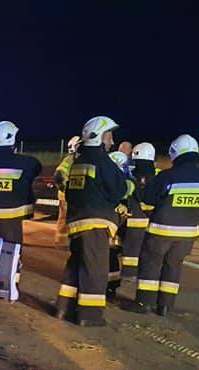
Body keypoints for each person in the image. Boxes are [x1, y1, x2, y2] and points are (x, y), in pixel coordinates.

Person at [55, 116, 127, 327]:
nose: (112, 142)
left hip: (77, 222)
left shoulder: (78, 162)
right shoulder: (103, 161)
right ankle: (90, 315)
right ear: (99, 137)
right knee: (95, 270)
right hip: (96, 223)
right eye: (109, 136)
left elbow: (70, 192)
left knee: (76, 265)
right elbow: (119, 190)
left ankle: (64, 308)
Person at [129, 135, 199, 316]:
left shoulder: (167, 176)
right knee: (173, 267)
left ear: (175, 154)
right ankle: (165, 306)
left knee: (150, 265)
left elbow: (149, 199)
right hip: (187, 235)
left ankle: (144, 303)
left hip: (161, 231)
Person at [119, 142, 158, 276]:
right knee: (149, 253)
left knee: (131, 252)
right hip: (153, 222)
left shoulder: (131, 175)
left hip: (133, 222)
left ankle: (128, 275)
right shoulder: (159, 176)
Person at [106, 151, 135, 296]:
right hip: (119, 225)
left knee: (108, 255)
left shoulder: (111, 182)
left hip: (112, 225)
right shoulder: (129, 182)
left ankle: (108, 284)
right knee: (112, 255)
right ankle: (112, 285)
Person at [53, 136, 82, 245]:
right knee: (65, 218)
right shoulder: (70, 159)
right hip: (67, 194)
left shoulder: (76, 159)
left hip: (72, 194)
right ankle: (63, 241)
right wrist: (67, 190)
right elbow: (59, 176)